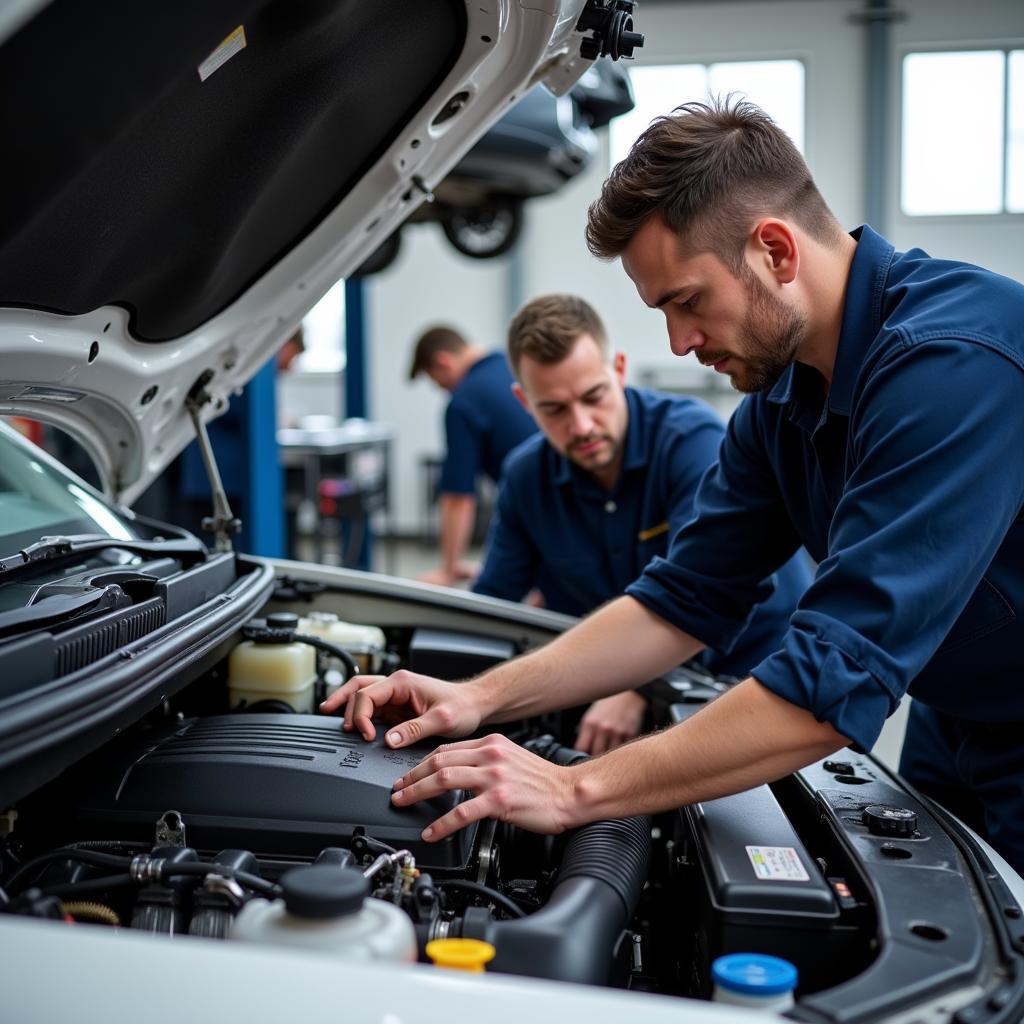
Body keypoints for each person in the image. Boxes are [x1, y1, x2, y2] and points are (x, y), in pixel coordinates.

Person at [323, 99, 1024, 874]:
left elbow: (836, 680)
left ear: (775, 252)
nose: (680, 343)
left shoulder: (954, 364)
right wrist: (477, 698)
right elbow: (681, 597)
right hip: (951, 712)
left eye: (687, 302)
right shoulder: (780, 402)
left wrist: (572, 790)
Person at [472, 292, 811, 753]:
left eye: (594, 396)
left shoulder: (692, 443)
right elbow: (492, 606)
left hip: (752, 670)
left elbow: (703, 593)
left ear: (618, 369)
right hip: (614, 675)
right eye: (554, 409)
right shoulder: (525, 477)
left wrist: (639, 686)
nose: (583, 425)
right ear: (523, 402)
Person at [409, 326, 537, 586]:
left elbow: (458, 497)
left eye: (437, 381)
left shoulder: (463, 402)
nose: (443, 389)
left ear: (442, 361)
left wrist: (447, 570)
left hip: (538, 510)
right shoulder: (512, 364)